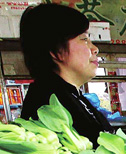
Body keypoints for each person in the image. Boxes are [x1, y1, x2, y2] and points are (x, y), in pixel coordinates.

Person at [19, 3, 114, 146]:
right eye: (84, 39)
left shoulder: (71, 95)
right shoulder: (46, 101)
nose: (95, 49)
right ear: (56, 51)